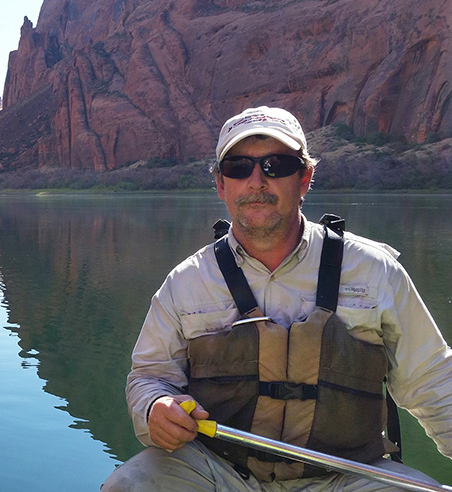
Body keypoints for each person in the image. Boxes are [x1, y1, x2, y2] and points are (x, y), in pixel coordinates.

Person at [102, 106, 452, 491]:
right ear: (221, 185)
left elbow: (434, 381)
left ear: (304, 178)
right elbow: (149, 377)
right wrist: (155, 408)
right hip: (219, 472)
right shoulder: (185, 282)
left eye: (276, 165)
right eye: (238, 167)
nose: (256, 181)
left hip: (348, 476)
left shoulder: (376, 271)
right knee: (130, 485)